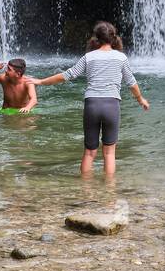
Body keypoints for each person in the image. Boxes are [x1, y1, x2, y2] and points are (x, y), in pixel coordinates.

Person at [27, 21, 149, 177]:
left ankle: (86, 191)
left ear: (96, 38)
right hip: (111, 105)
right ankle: (109, 192)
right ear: (113, 38)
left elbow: (67, 75)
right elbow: (131, 82)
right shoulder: (121, 58)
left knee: (90, 152)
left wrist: (41, 81)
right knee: (109, 152)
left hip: (91, 105)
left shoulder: (89, 57)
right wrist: (141, 100)